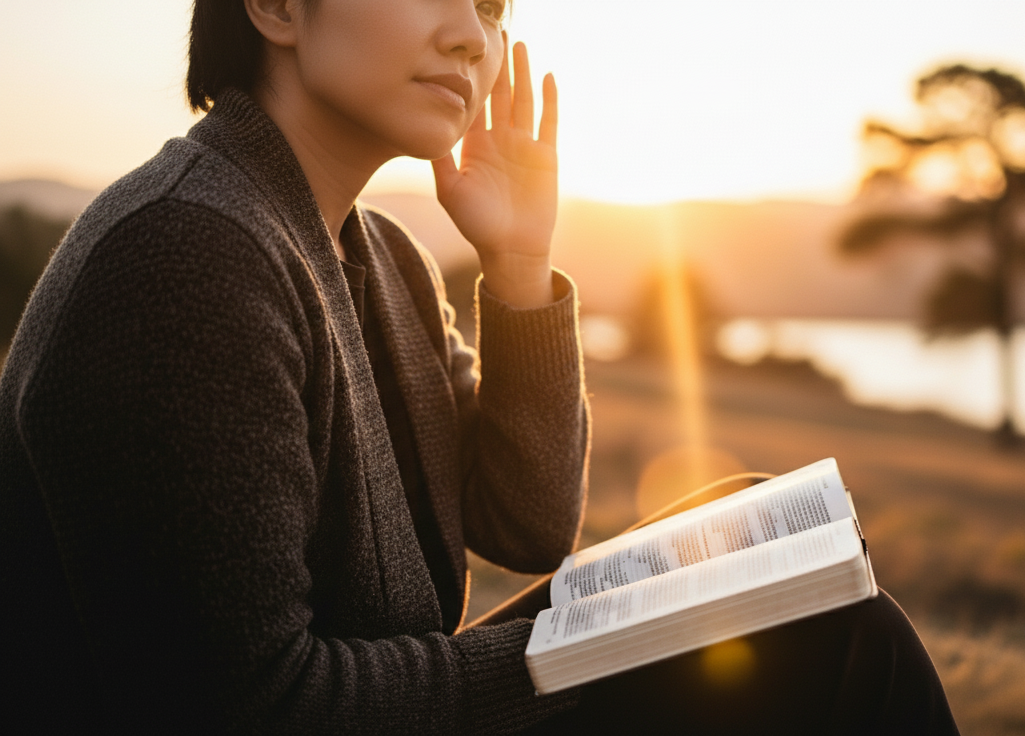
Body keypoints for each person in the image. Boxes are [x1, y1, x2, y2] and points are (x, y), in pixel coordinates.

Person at [0, 1, 961, 733]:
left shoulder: (381, 258)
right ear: (279, 6)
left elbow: (528, 522)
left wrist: (519, 265)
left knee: (759, 539)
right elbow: (250, 708)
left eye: (494, 3)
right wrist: (573, 658)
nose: (473, 35)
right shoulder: (186, 255)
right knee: (833, 639)